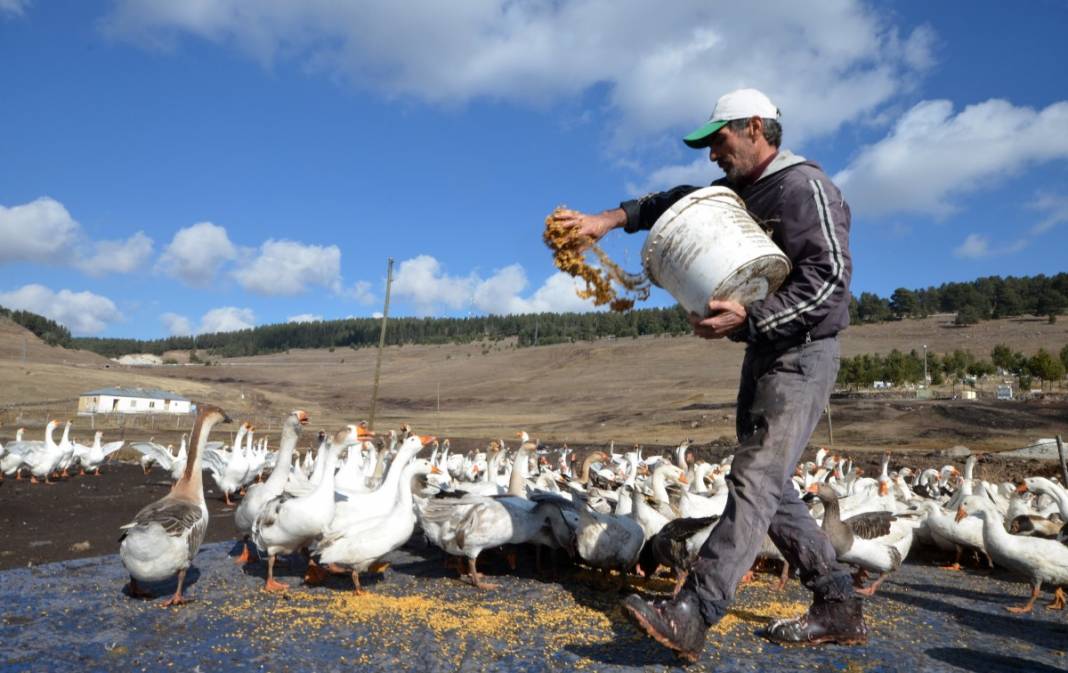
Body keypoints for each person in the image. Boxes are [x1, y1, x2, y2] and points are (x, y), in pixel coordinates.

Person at [555, 88, 863, 662]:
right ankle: (837, 601)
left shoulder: (805, 188)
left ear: (753, 127)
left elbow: (829, 281)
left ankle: (695, 610)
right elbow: (673, 201)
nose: (711, 155)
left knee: (756, 476)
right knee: (769, 485)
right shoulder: (733, 194)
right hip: (765, 350)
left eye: (718, 141)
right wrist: (607, 220)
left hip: (803, 351)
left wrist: (754, 314)